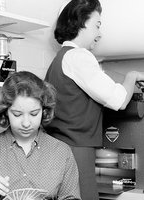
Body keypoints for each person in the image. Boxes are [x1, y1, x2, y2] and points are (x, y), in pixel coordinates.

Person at [44, 0, 144, 199]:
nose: (100, 34)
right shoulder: (79, 56)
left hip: (59, 148)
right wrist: (132, 76)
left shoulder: (59, 60)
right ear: (82, 22)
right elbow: (119, 100)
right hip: (77, 150)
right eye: (97, 25)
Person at [0, 71, 81, 200]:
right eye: (17, 114)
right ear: (5, 111)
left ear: (44, 111)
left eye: (34, 114)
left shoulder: (62, 152)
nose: (26, 123)